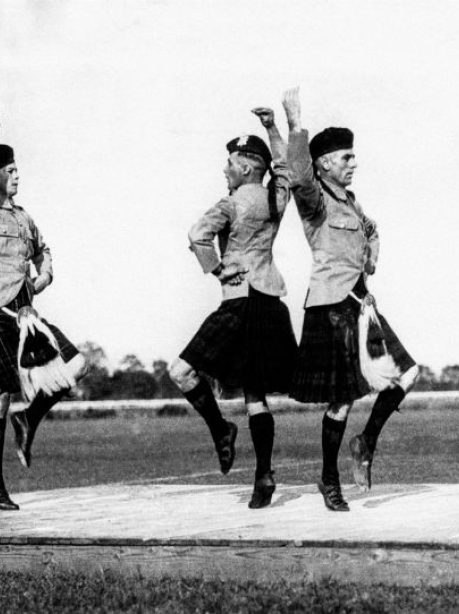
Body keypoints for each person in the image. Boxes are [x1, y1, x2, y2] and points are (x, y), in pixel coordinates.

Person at [281, 87, 419, 512]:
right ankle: (329, 479)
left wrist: (370, 261)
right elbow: (299, 176)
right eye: (346, 157)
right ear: (325, 162)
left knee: (408, 374)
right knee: (341, 399)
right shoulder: (315, 200)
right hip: (330, 306)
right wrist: (294, 125)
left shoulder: (352, 203)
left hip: (360, 303)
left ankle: (366, 442)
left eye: (353, 156)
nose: (353, 163)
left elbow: (372, 231)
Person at [0, 114, 88, 511]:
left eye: (17, 170)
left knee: (78, 364)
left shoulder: (25, 217)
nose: (16, 176)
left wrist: (45, 274)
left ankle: (28, 423)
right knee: (0, 397)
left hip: (23, 311)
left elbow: (44, 250)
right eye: (9, 170)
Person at [169, 108, 297, 509]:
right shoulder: (276, 198)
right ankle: (264, 475)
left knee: (181, 371)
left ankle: (221, 431)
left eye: (229, 164)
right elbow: (287, 170)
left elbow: (196, 235)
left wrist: (218, 269)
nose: (225, 171)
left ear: (244, 167)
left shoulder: (230, 204)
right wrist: (273, 127)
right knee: (256, 396)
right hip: (270, 302)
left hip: (239, 302)